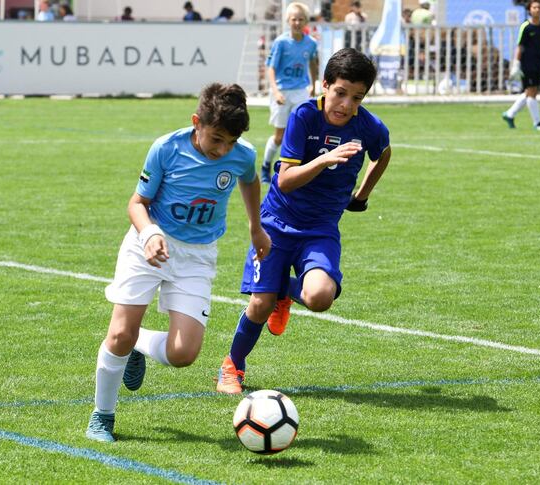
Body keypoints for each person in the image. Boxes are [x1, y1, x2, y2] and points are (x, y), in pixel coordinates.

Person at [85, 83, 271, 442]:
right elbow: (136, 203)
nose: (223, 150)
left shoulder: (243, 155)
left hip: (198, 256)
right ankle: (102, 416)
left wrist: (255, 228)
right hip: (150, 244)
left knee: (183, 353)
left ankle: (138, 345)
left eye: (230, 142)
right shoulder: (166, 148)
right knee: (119, 332)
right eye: (216, 139)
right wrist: (149, 233)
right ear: (196, 122)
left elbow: (249, 180)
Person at [216, 48, 392, 395]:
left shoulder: (369, 126)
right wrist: (325, 160)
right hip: (276, 223)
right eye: (340, 92)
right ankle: (232, 367)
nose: (345, 104)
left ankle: (284, 290)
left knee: (320, 296)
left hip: (321, 228)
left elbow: (383, 153)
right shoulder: (304, 117)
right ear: (325, 85)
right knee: (260, 304)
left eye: (356, 97)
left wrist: (362, 195)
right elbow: (284, 179)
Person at [259, 2, 319, 184]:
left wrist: (314, 85)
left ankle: (297, 170)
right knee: (279, 135)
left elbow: (313, 64)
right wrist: (276, 91)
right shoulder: (281, 42)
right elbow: (271, 68)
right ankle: (265, 165)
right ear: (288, 21)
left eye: (301, 19)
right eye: (294, 19)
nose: (297, 23)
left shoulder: (311, 43)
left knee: (302, 132)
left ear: (306, 21)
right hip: (282, 90)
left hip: (301, 90)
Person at [502, 0, 540, 131]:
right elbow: (520, 46)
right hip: (526, 63)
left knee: (531, 91)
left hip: (538, 63)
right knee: (532, 92)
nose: (537, 9)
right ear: (530, 9)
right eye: (534, 7)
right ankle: (538, 123)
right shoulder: (526, 26)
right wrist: (516, 64)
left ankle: (509, 114)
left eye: (539, 7)